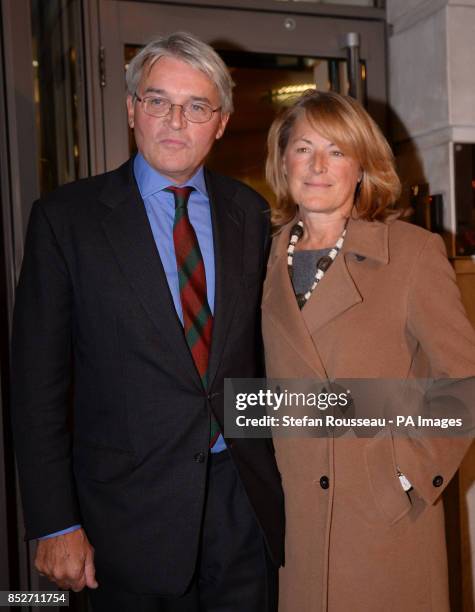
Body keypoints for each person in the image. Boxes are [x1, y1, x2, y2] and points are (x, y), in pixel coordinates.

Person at [11, 32, 284, 612]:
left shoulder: (251, 215)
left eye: (196, 107)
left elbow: (265, 361)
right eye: (158, 100)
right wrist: (54, 522)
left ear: (222, 121)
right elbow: (36, 386)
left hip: (242, 510)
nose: (175, 121)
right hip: (124, 523)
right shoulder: (67, 220)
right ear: (132, 108)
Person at [262, 90, 475, 611]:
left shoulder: (411, 253)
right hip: (293, 522)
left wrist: (405, 474)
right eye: (304, 148)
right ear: (282, 159)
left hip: (381, 519)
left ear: (361, 165)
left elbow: (463, 383)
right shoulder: (259, 254)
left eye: (336, 151)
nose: (317, 166)